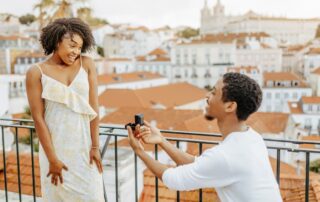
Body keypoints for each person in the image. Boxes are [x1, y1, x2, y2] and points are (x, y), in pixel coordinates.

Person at [127, 72, 282, 202]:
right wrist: (161, 140)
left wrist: (139, 151)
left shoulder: (226, 155)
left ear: (230, 106)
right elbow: (199, 164)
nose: (207, 96)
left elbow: (173, 180)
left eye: (214, 92)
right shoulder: (252, 137)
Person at [26, 18, 104, 202]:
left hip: (85, 151)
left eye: (79, 47)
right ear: (56, 41)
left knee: (92, 195)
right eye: (72, 45)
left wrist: (95, 147)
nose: (76, 52)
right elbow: (38, 119)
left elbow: (94, 109)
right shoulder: (36, 72)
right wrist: (52, 159)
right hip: (55, 151)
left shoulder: (87, 64)